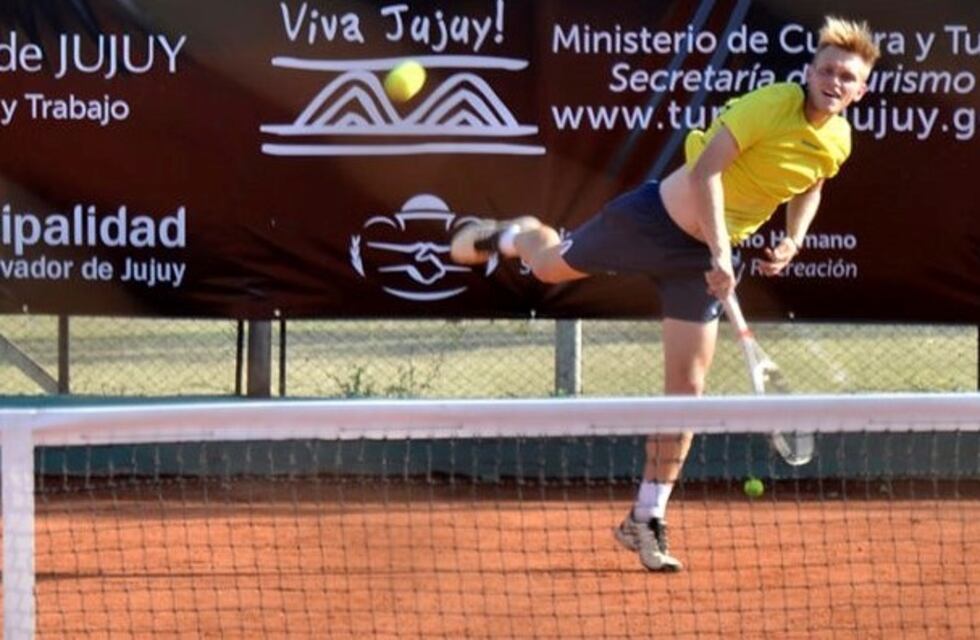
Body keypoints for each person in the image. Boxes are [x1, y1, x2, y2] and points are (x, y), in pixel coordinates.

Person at [450, 16, 880, 571]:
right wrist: (724, 252)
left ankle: (645, 517)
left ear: (860, 90)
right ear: (809, 70)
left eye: (847, 76)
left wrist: (793, 239)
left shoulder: (837, 139)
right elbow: (705, 175)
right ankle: (519, 234)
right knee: (548, 269)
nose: (834, 81)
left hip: (697, 262)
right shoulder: (770, 105)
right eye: (827, 69)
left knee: (686, 389)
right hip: (652, 221)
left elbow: (812, 182)